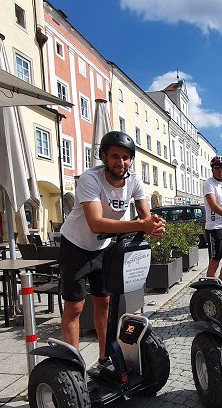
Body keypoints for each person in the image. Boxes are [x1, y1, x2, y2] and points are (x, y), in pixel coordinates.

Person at [58, 130, 165, 375]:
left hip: (103, 247)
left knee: (104, 303)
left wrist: (154, 225)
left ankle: (105, 358)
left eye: (126, 157)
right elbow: (96, 223)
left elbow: (145, 216)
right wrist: (140, 224)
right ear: (104, 157)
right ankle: (75, 369)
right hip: (75, 244)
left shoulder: (135, 180)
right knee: (74, 307)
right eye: (115, 156)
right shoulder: (89, 179)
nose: (121, 162)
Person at [203, 156, 222, 292]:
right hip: (214, 228)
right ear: (212, 169)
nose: (220, 170)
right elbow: (213, 205)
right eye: (217, 168)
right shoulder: (209, 183)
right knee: (215, 262)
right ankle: (210, 293)